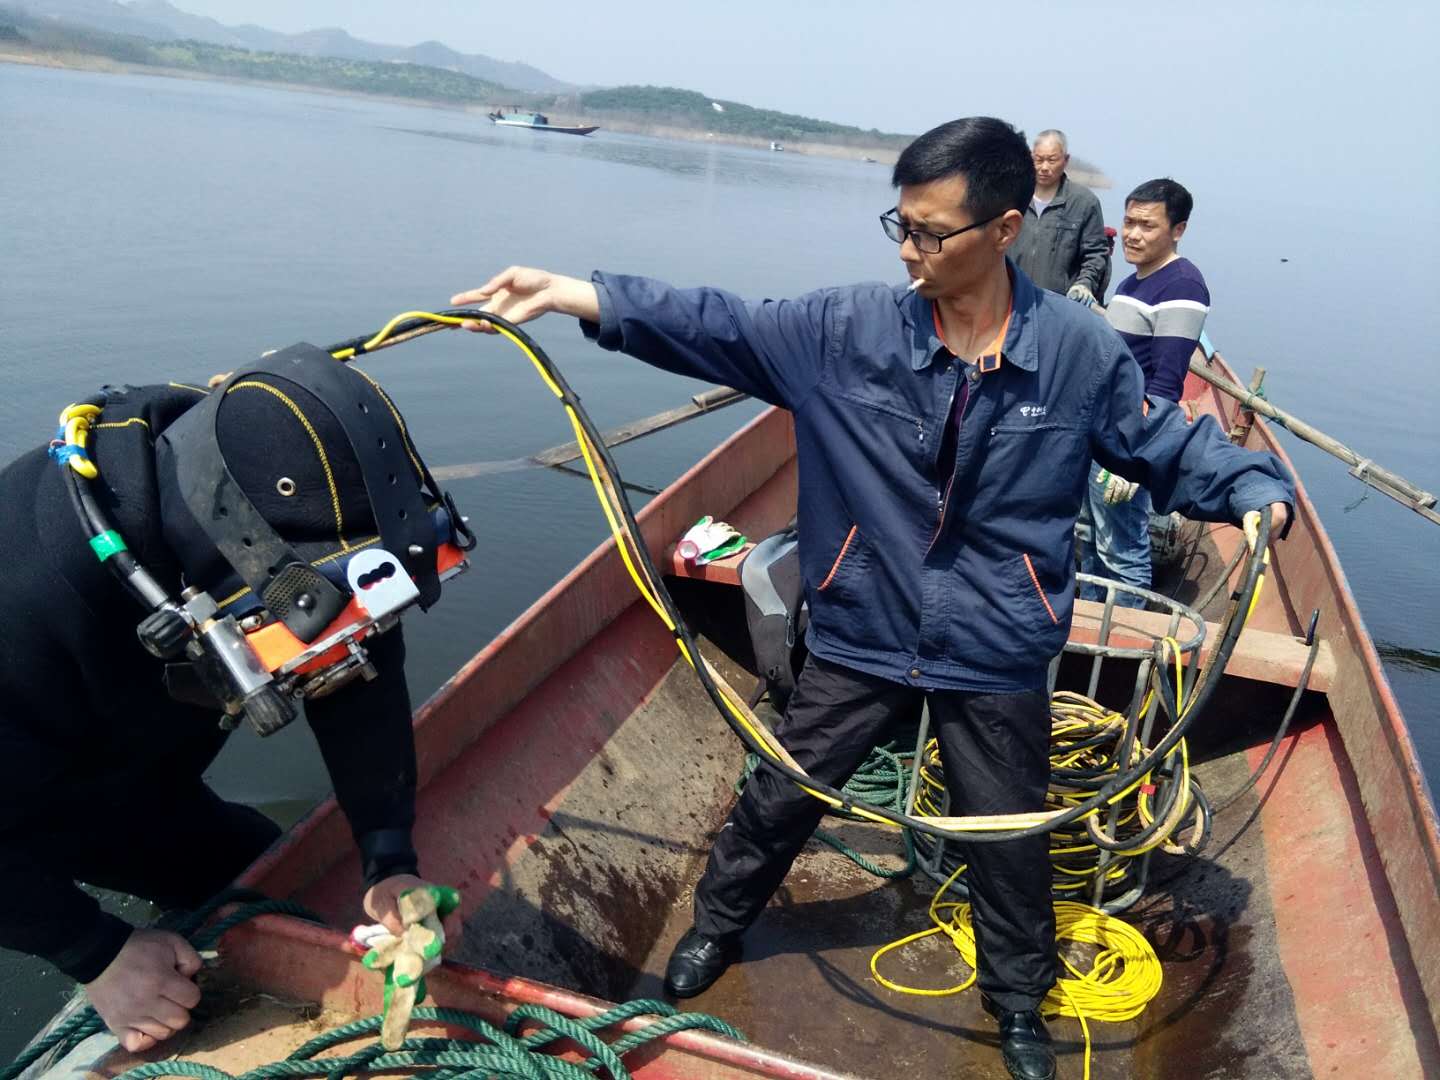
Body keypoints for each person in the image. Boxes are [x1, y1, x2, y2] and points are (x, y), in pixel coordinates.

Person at [450, 117, 1293, 1080]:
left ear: (1007, 228)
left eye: (933, 232)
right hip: (862, 625)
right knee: (783, 790)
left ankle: (1017, 998)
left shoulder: (1074, 352)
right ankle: (716, 927)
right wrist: (574, 294)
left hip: (998, 639)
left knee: (1008, 833)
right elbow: (719, 322)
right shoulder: (843, 330)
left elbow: (1164, 443)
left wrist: (1253, 492)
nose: (909, 249)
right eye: (900, 223)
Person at [0, 354, 464, 1054]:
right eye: (316, 627)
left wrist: (388, 855)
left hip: (135, 764)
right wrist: (92, 951)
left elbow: (357, 666)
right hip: (33, 786)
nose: (343, 644)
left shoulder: (269, 481)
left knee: (252, 881)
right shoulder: (31, 591)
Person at [1078, 178, 1211, 605]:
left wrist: (1132, 463)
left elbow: (1166, 384)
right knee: (1092, 542)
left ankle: (1122, 642)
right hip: (1099, 434)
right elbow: (1127, 350)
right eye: (1129, 221)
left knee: (1123, 552)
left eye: (1147, 225)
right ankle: (1088, 630)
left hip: (1126, 445)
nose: (1133, 234)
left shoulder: (1183, 286)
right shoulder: (1132, 282)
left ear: (1178, 230)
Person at [1006, 129, 1109, 307]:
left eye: (1052, 160)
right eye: (1038, 160)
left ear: (1065, 160)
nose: (1044, 167)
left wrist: (1084, 284)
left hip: (1059, 306)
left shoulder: (1084, 202)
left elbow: (1095, 253)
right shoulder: (1013, 197)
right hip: (1012, 301)